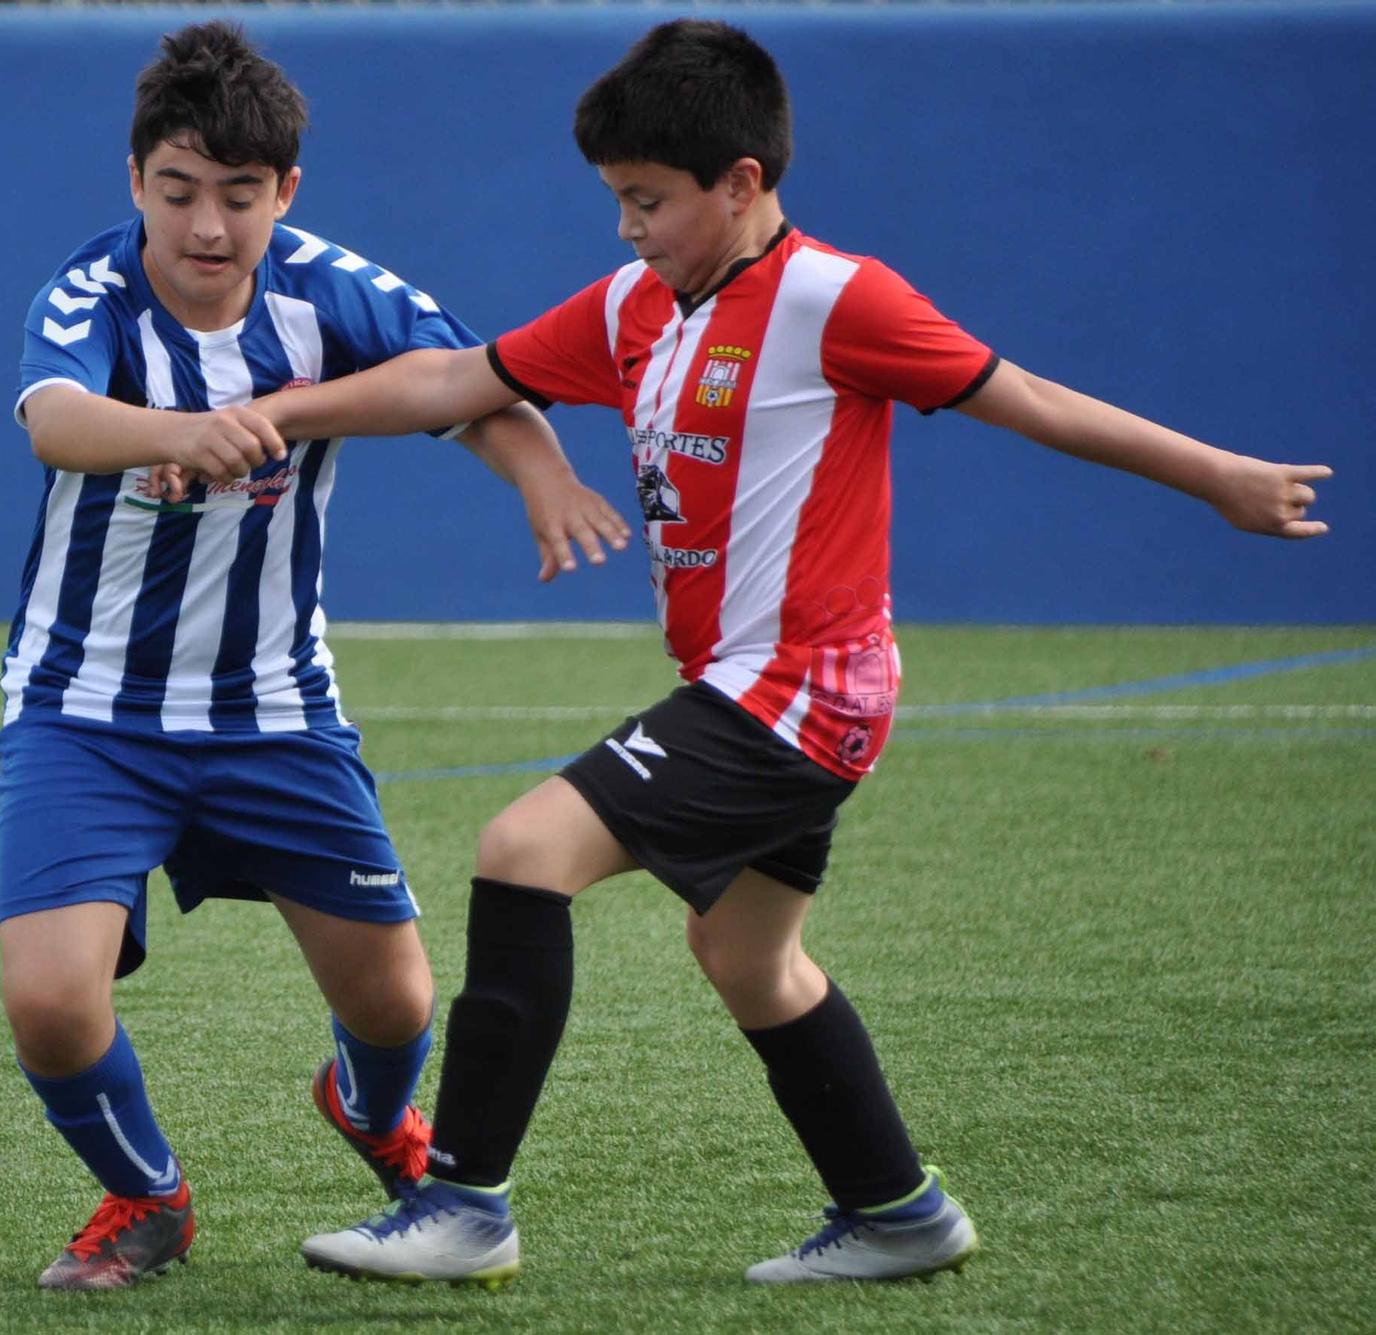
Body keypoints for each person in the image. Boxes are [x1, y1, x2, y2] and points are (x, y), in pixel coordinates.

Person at [266, 19, 1332, 1287]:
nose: (626, 227)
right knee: (747, 957)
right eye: (614, 199)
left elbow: (1031, 400)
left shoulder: (839, 299)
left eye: (647, 201)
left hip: (799, 687)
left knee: (521, 852)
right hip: (747, 686)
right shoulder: (633, 307)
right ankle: (898, 1213)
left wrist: (1219, 478)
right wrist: (264, 417)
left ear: (742, 184)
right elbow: (451, 382)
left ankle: (463, 1207)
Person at [0, 21, 628, 1293]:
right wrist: (177, 429)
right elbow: (55, 425)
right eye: (177, 192)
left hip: (275, 710)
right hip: (85, 711)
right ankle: (144, 1198)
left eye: (238, 196)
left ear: (285, 191)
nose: (206, 226)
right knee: (52, 1004)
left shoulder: (333, 291)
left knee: (396, 1007)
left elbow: (463, 380)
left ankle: (366, 1107)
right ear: (134, 184)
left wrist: (540, 473)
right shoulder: (89, 294)